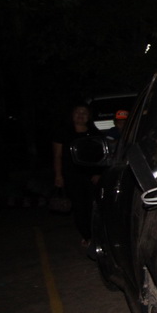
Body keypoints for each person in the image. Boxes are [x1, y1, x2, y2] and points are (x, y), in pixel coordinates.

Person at [52, 103, 101, 246]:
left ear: (89, 116)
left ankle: (96, 234)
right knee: (79, 207)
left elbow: (100, 154)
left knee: (93, 206)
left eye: (84, 113)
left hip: (91, 176)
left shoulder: (94, 133)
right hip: (72, 175)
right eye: (77, 112)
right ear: (72, 115)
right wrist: (58, 175)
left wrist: (98, 172)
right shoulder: (63, 133)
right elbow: (57, 156)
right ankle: (86, 235)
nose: (80, 115)